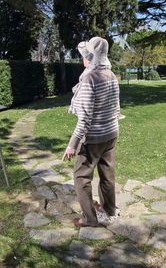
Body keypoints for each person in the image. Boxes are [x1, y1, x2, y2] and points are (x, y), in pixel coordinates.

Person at [62, 37, 121, 227]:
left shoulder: (89, 78)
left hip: (94, 138)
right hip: (111, 132)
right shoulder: (111, 74)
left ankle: (89, 219)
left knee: (81, 177)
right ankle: (109, 209)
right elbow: (116, 107)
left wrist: (72, 144)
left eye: (83, 56)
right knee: (107, 174)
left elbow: (85, 119)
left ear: (88, 58)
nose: (82, 60)